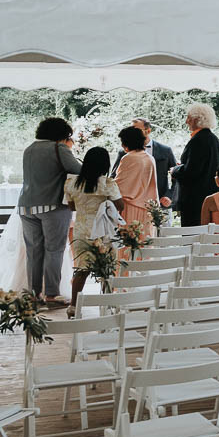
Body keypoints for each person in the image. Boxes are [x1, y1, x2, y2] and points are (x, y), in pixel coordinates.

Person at [17, 118, 80, 305]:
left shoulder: (29, 149)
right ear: (60, 135)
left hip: (26, 207)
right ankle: (52, 293)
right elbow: (77, 169)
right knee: (54, 249)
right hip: (52, 206)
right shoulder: (58, 148)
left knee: (34, 252)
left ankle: (34, 295)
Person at [64, 146, 122, 312]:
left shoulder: (71, 182)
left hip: (82, 230)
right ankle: (107, 304)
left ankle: (74, 306)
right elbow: (120, 206)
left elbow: (71, 206)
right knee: (107, 269)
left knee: (82, 269)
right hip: (104, 231)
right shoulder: (108, 183)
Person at [171, 103, 219, 227]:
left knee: (191, 237)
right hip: (210, 196)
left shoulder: (198, 141)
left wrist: (175, 170)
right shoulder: (215, 141)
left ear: (197, 119)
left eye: (188, 118)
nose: (186, 121)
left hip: (194, 200)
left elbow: (191, 172)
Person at [113, 116, 175, 207]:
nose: (133, 132)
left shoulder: (165, 150)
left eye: (136, 129)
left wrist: (169, 195)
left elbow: (176, 176)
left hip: (159, 204)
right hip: (130, 204)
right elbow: (114, 176)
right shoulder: (123, 153)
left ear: (148, 131)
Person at [113, 126, 159, 241]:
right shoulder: (150, 158)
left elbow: (119, 185)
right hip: (147, 208)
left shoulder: (129, 158)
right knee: (144, 244)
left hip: (131, 207)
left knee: (128, 246)